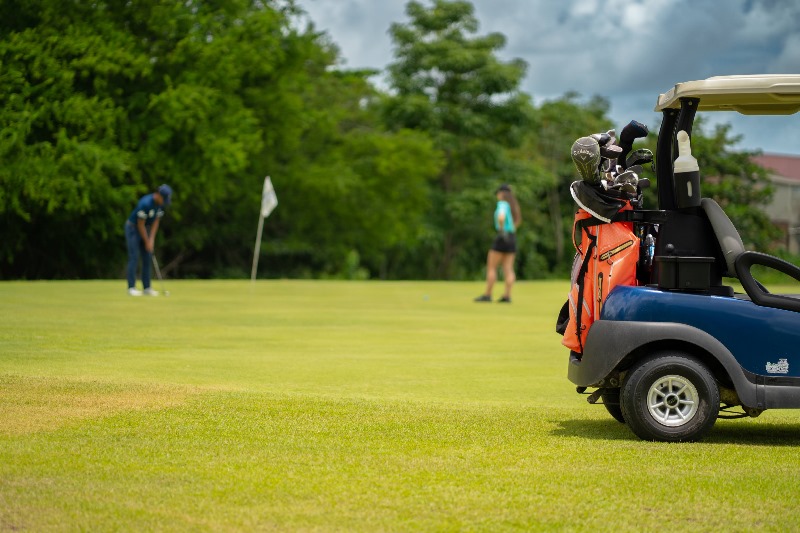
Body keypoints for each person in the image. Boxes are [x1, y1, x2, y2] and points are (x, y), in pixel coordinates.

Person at [474, 183, 522, 303]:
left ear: (501, 193)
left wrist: (501, 229)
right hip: (511, 237)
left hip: (502, 236)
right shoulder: (513, 206)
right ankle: (507, 296)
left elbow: (501, 217)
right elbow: (516, 223)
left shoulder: (502, 204)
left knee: (491, 267)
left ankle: (488, 294)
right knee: (508, 268)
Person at [125, 184, 172, 296]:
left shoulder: (160, 205)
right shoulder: (145, 203)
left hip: (146, 229)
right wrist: (147, 241)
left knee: (147, 256)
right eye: (164, 199)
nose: (164, 202)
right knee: (134, 257)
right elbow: (140, 224)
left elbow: (156, 221)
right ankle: (131, 288)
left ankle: (147, 287)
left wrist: (151, 239)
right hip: (133, 228)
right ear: (158, 195)